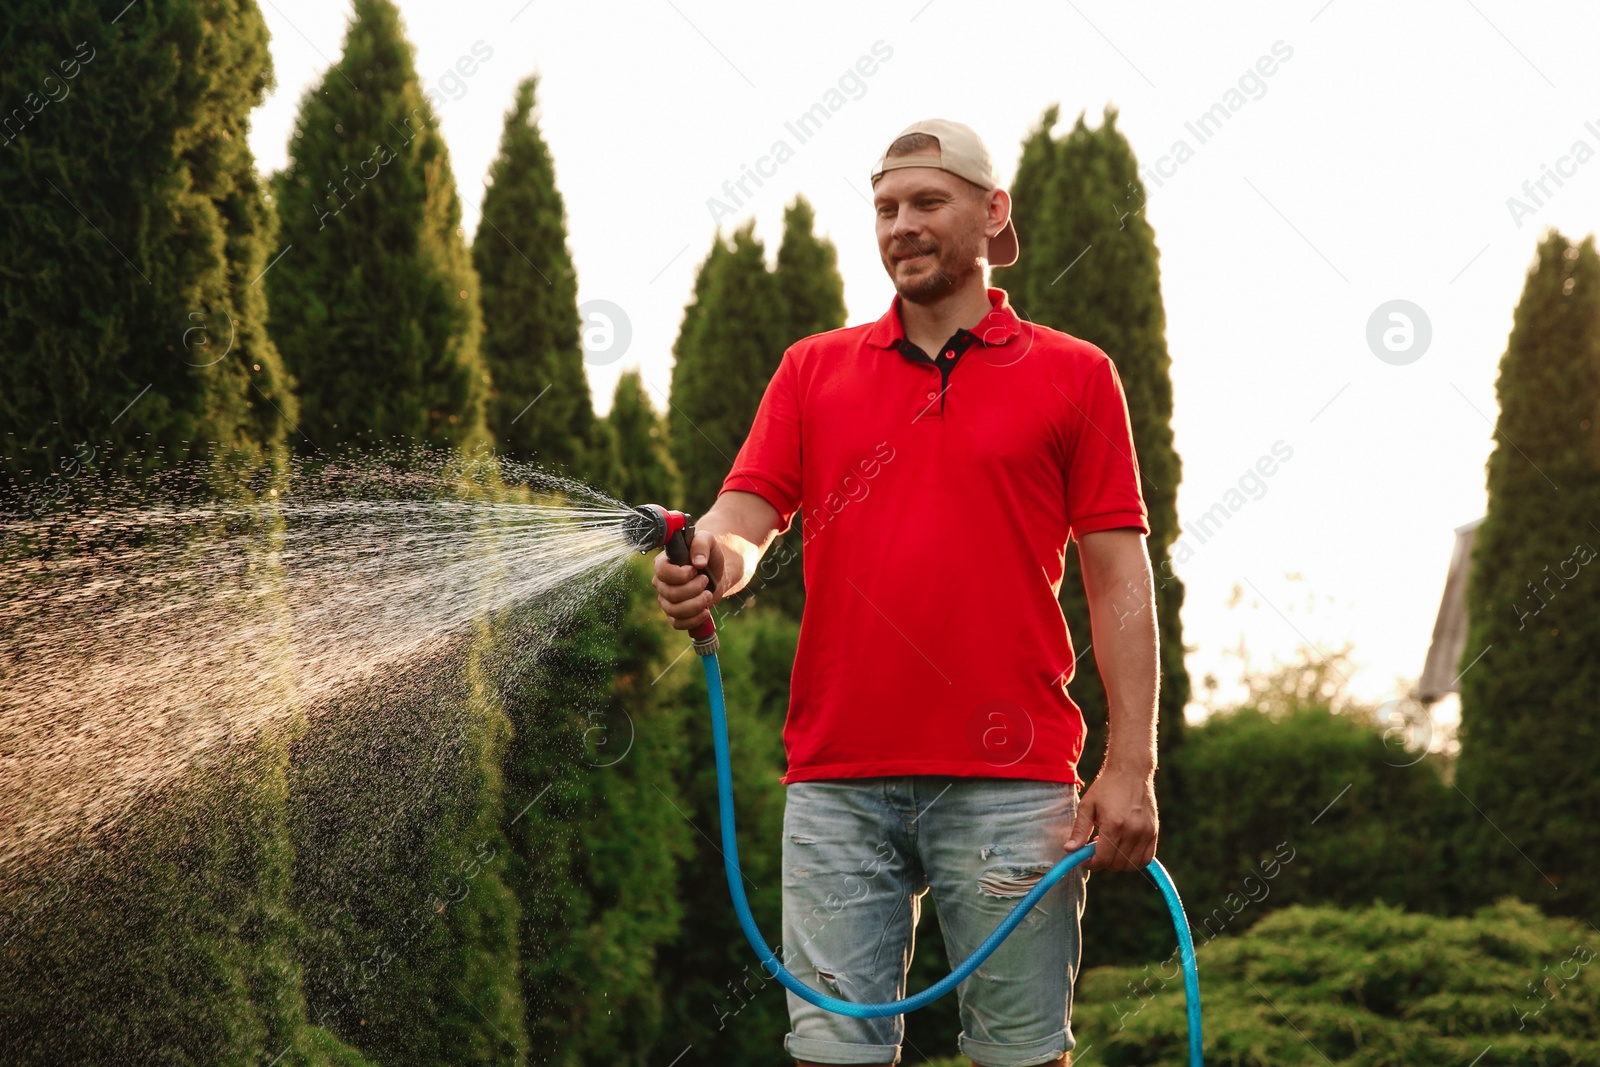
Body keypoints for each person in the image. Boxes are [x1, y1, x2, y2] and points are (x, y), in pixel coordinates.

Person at [653, 117, 1160, 1067]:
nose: (902, 225)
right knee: (831, 1053)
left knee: (1018, 1053)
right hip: (839, 781)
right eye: (886, 208)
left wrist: (1131, 763)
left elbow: (1119, 576)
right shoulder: (815, 369)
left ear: (990, 211)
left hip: (1013, 782)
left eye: (928, 202)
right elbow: (744, 516)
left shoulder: (1076, 374)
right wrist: (711, 559)